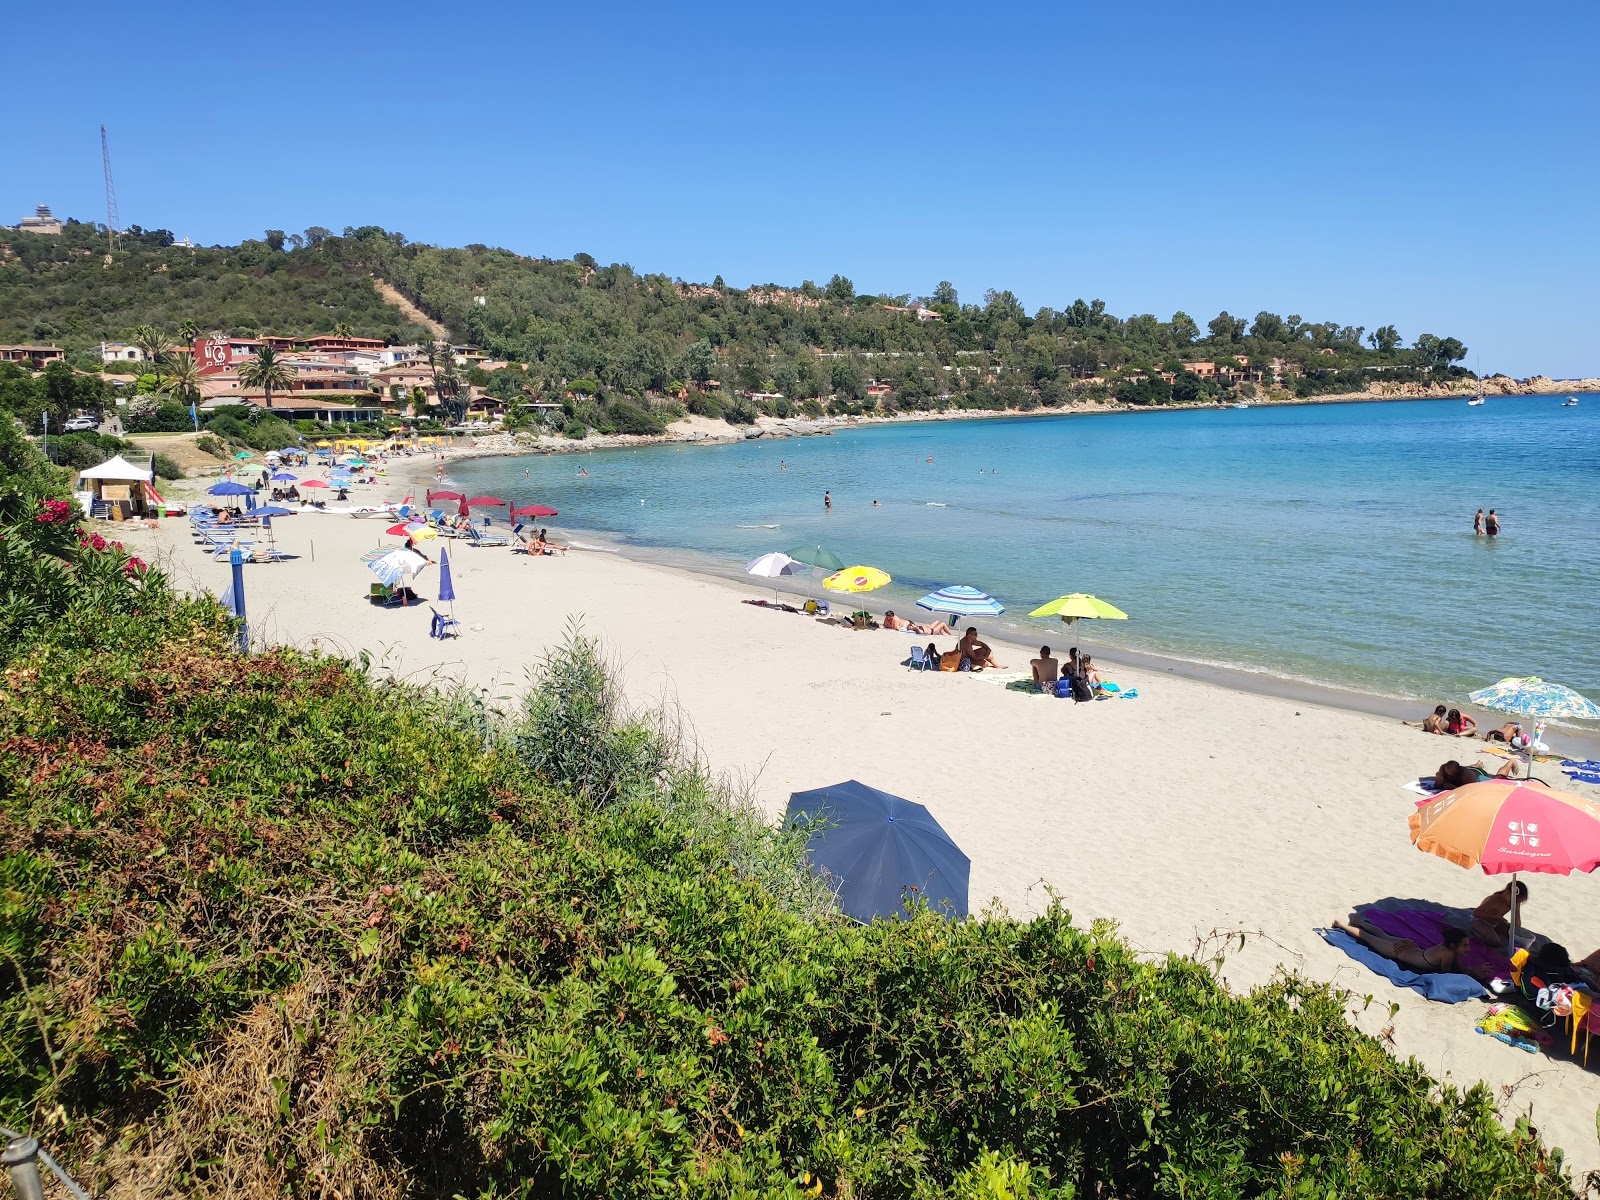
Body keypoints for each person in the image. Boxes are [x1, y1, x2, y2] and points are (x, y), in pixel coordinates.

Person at [1331, 917, 1469, 975]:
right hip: (1399, 951)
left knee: (1381, 933)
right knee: (1367, 937)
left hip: (1409, 946)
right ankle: (1341, 924)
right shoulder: (1448, 954)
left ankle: (1359, 921)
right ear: (1453, 946)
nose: (1468, 949)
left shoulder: (1446, 947)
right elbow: (1445, 973)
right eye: (1465, 945)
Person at [1469, 880, 1528, 948]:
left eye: (1519, 902)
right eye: (1516, 901)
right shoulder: (1495, 899)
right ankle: (1475, 932)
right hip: (1480, 921)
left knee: (1512, 934)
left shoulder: (1515, 903)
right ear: (1507, 893)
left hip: (1495, 923)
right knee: (1494, 941)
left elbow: (1517, 926)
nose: (1516, 904)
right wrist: (1496, 918)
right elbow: (1475, 913)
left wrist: (1517, 909)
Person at [1434, 759, 1518, 790]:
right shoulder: (1444, 769)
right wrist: (1439, 780)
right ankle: (1479, 763)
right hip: (1470, 769)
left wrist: (1445, 784)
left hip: (1479, 775)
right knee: (1473, 767)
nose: (1448, 777)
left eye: (1450, 776)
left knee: (1499, 778)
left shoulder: (1465, 776)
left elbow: (1463, 789)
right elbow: (1437, 784)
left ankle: (1511, 762)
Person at [883, 610, 951, 635]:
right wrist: (914, 627)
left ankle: (943, 634)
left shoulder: (916, 628)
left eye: (911, 625)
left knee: (938, 622)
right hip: (933, 631)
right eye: (911, 626)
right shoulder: (918, 631)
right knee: (943, 624)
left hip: (928, 628)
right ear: (913, 628)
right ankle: (950, 635)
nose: (912, 625)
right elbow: (917, 629)